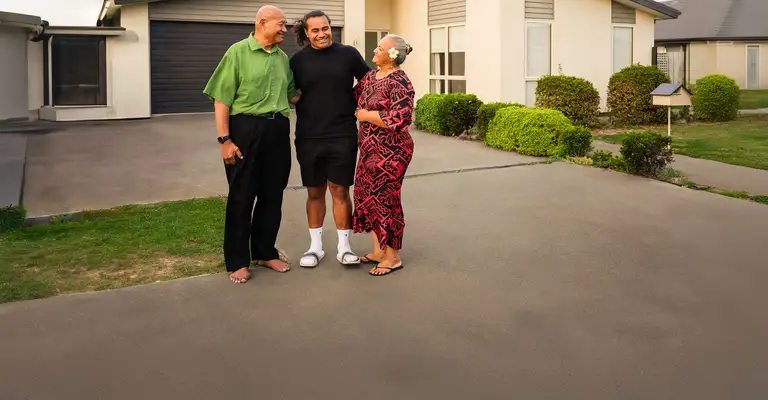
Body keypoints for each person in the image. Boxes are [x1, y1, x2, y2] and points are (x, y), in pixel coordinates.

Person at [203, 5, 300, 284]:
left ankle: (264, 252)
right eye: (281, 24)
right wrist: (225, 139)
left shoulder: (283, 58)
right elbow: (221, 98)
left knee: (273, 195)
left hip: (277, 130)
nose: (285, 29)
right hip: (245, 128)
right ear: (262, 22)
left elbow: (294, 96)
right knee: (242, 195)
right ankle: (237, 260)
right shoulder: (237, 52)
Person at [289, 10, 370, 268]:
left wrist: (362, 107)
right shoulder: (297, 61)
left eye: (325, 28)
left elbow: (369, 82)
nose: (322, 34)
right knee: (314, 192)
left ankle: (344, 249)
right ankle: (315, 248)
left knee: (340, 190)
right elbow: (288, 91)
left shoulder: (348, 54)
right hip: (308, 136)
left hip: (342, 133)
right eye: (315, 30)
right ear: (306, 33)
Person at [352, 34, 415, 276]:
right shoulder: (370, 77)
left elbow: (401, 117)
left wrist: (367, 116)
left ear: (392, 56)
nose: (375, 51)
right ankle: (378, 250)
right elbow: (353, 97)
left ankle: (393, 257)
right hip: (368, 149)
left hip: (392, 151)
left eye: (380, 48)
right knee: (366, 195)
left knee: (385, 199)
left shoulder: (400, 81)